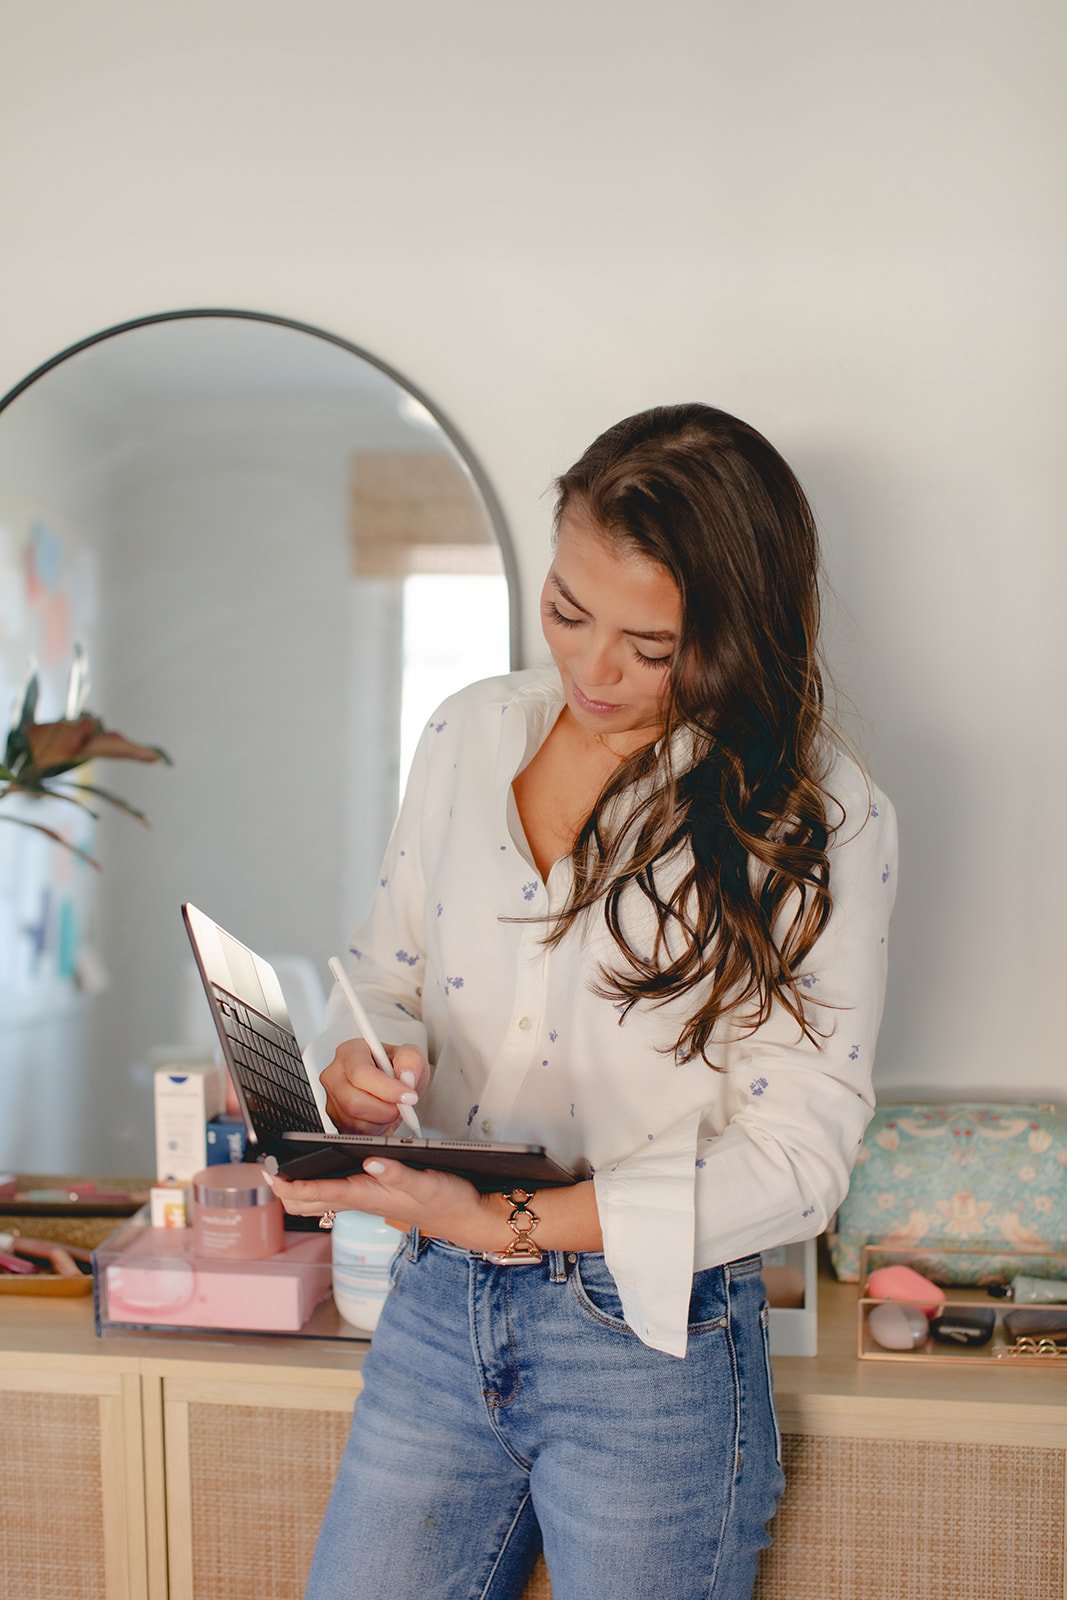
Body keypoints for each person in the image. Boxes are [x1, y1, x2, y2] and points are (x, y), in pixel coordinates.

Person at [267, 404, 898, 1600]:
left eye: (650, 646)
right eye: (566, 610)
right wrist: (367, 1056)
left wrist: (506, 1224)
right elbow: (386, 973)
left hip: (650, 1336)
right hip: (435, 1309)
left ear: (734, 633)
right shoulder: (468, 732)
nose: (590, 671)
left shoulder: (819, 819)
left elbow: (798, 1162)